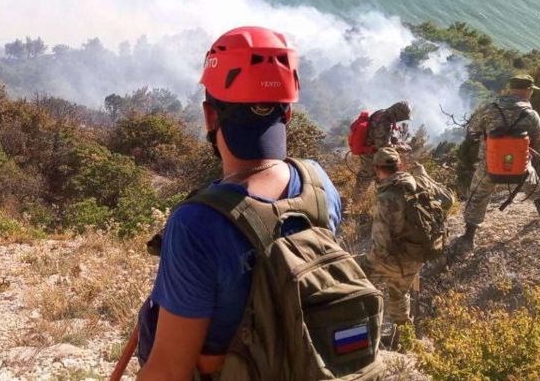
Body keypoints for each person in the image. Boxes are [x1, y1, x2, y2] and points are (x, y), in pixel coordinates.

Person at [136, 27, 343, 379]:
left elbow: (169, 372)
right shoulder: (320, 184)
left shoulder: (197, 223)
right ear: (288, 113)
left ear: (210, 116)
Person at [365, 146, 451, 346]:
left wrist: (372, 264)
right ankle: (403, 338)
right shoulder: (419, 182)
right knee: (399, 289)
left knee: (357, 278)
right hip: (422, 251)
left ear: (377, 169)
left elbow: (381, 243)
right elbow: (448, 199)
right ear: (400, 165)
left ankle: (394, 340)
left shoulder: (386, 197)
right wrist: (426, 176)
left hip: (401, 256)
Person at [457, 74, 540, 251]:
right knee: (538, 191)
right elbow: (538, 141)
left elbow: (472, 130)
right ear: (527, 91)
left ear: (510, 89)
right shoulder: (531, 115)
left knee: (477, 196)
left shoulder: (490, 109)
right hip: (521, 167)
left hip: (490, 166)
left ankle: (468, 237)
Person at [352, 102, 413, 205]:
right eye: (402, 117)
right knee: (366, 177)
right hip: (370, 154)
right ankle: (355, 203)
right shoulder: (384, 122)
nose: (402, 120)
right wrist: (401, 147)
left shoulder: (383, 113)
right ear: (397, 113)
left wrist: (396, 141)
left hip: (372, 151)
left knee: (379, 177)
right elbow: (382, 146)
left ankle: (375, 202)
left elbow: (384, 135)